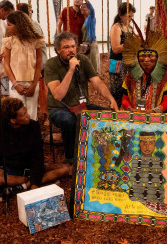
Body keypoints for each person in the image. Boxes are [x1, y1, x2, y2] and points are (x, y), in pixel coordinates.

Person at [44, 32, 118, 163]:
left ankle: (102, 153)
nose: (71, 50)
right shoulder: (51, 64)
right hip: (59, 108)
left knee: (109, 115)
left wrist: (111, 99)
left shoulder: (83, 60)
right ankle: (71, 159)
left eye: (73, 46)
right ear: (58, 50)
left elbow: (97, 82)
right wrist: (71, 70)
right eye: (66, 47)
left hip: (82, 106)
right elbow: (58, 95)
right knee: (69, 120)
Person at [0, 98, 45, 201]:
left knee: (62, 168)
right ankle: (27, 181)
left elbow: (37, 157)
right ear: (13, 120)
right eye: (24, 115)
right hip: (6, 170)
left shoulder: (33, 126)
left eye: (26, 112)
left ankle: (30, 181)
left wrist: (34, 186)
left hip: (27, 166)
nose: (28, 116)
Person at [2, 10, 44, 121]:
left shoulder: (36, 41)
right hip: (16, 82)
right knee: (17, 112)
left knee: (32, 112)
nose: (6, 27)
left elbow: (39, 63)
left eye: (9, 25)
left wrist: (34, 84)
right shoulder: (9, 41)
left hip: (32, 82)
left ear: (18, 25)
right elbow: (6, 65)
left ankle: (32, 131)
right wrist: (16, 84)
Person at [121, 31, 167, 112]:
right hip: (134, 116)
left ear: (157, 58)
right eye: (142, 56)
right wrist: (130, 109)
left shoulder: (164, 77)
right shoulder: (130, 76)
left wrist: (153, 111)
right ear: (137, 58)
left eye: (150, 56)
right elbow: (124, 99)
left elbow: (166, 101)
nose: (146, 60)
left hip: (156, 118)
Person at [109, 3, 136, 107]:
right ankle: (114, 112)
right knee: (117, 91)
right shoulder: (116, 27)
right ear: (121, 15)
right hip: (117, 64)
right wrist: (131, 43)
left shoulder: (129, 27)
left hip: (127, 64)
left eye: (132, 17)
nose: (130, 19)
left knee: (126, 91)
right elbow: (115, 49)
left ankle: (124, 112)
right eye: (128, 16)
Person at [79, 0, 100, 72]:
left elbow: (92, 9)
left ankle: (94, 77)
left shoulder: (91, 17)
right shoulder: (83, 20)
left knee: (93, 65)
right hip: (84, 44)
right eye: (81, 8)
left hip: (91, 43)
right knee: (85, 64)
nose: (82, 9)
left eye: (84, 7)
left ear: (89, 9)